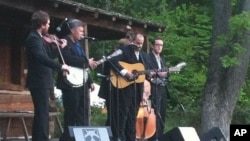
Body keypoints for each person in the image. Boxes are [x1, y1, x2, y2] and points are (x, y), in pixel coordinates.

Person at [25, 10, 70, 141]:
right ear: (42, 24)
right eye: (48, 23)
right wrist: (60, 66)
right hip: (38, 81)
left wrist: (60, 48)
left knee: (42, 113)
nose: (49, 26)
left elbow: (49, 56)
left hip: (43, 81)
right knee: (42, 114)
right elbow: (40, 58)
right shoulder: (33, 38)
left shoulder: (39, 38)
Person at [56, 19, 97, 141]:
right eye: (80, 31)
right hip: (69, 83)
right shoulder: (64, 42)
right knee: (71, 113)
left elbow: (84, 66)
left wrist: (90, 81)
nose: (82, 33)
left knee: (82, 112)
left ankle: (82, 137)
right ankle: (67, 138)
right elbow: (66, 58)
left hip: (82, 82)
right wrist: (86, 62)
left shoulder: (78, 45)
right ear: (72, 31)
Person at [109, 33, 150, 141]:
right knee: (122, 115)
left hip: (137, 90)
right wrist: (124, 72)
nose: (139, 46)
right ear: (132, 41)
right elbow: (111, 60)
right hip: (124, 87)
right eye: (137, 43)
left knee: (133, 117)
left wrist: (153, 73)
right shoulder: (125, 50)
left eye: (141, 44)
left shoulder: (143, 55)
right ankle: (118, 138)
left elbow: (146, 71)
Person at [147, 38, 169, 141]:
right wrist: (157, 73)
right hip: (151, 89)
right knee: (152, 114)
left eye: (161, 45)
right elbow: (145, 72)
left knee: (162, 115)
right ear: (153, 45)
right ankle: (151, 137)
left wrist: (166, 73)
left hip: (162, 88)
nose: (159, 47)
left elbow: (165, 74)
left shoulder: (162, 59)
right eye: (157, 44)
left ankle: (160, 137)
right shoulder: (147, 57)